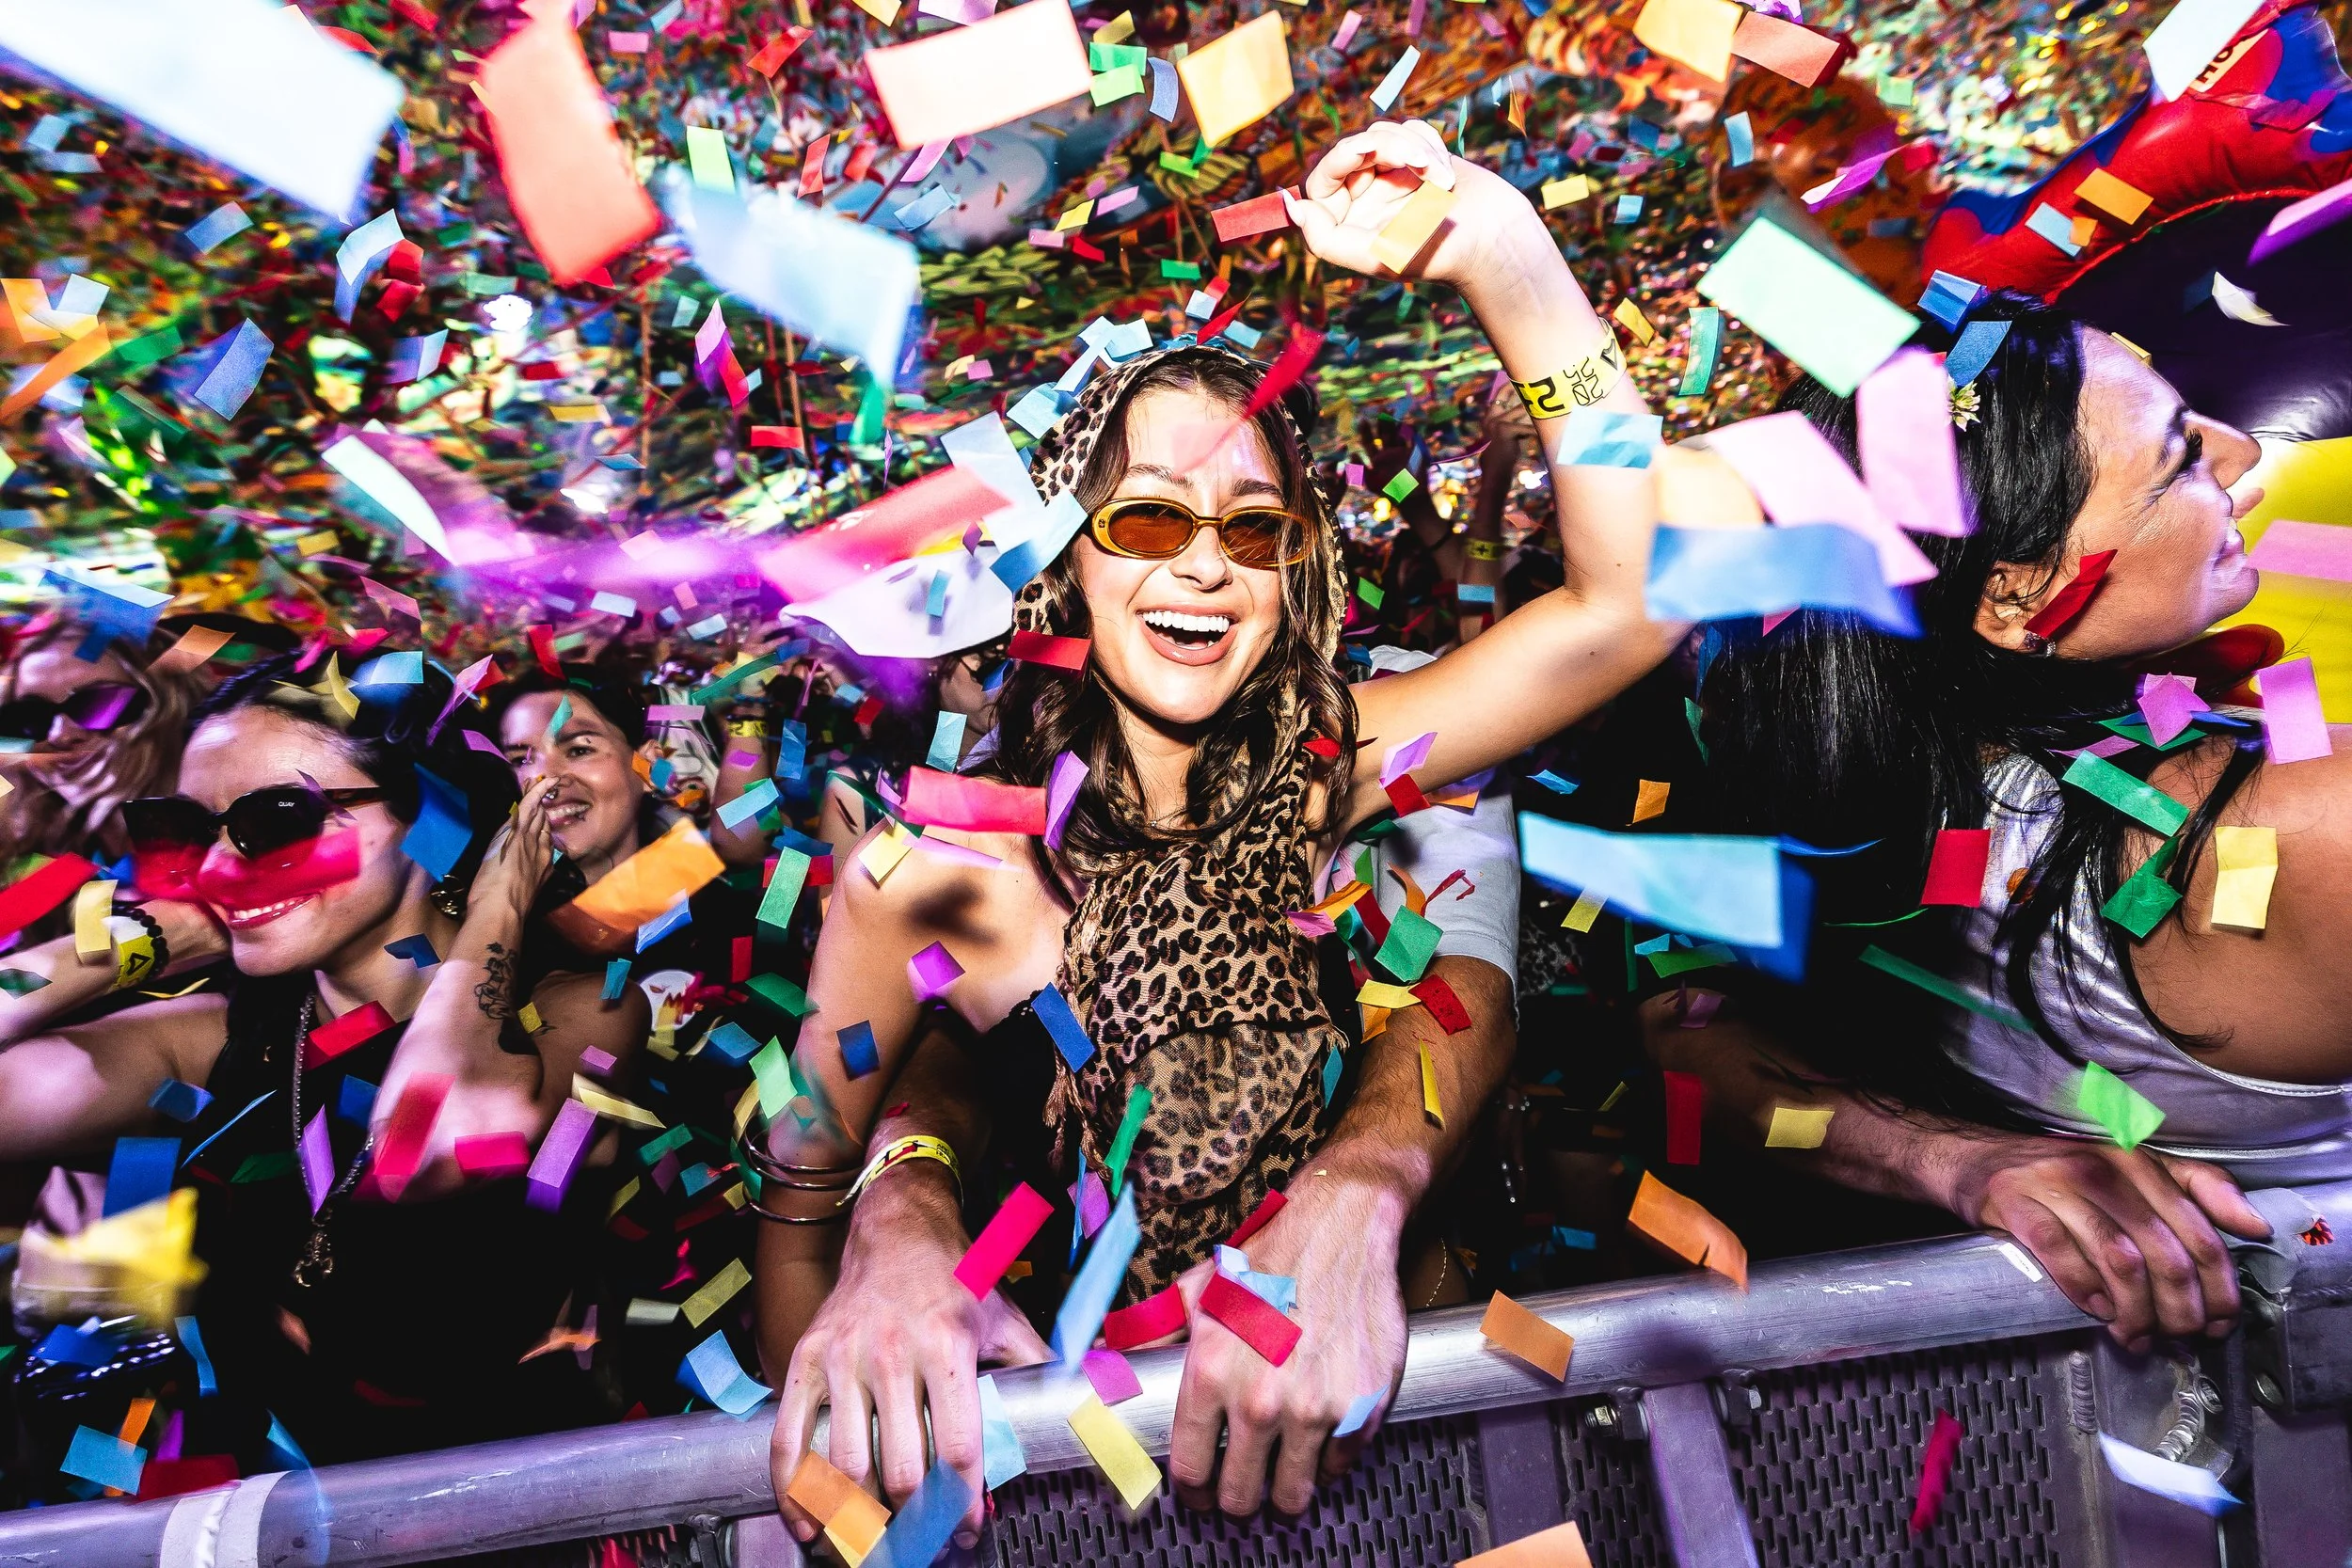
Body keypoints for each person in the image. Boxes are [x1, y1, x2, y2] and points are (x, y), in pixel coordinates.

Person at [760, 119, 1680, 1544]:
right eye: (1147, 518)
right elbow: (807, 1184)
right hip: (1137, 1497)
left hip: (1418, 1462)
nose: (1203, 557)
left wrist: (1497, 247)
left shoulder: (1339, 765)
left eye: (1251, 527)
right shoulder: (935, 863)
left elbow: (1630, 596)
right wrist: (884, 1254)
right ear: (1066, 556)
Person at [1656, 291, 2337, 1357]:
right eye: (2176, 457)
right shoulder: (2295, 816)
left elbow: (1678, 1031)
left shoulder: (1877, 820)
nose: (2243, 450)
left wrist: (1948, 1154)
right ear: (2017, 596)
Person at [0, 649, 648, 1466]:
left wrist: (500, 899)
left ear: (428, 810)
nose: (218, 864)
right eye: (190, 830)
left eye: (276, 820)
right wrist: (151, 934)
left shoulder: (584, 1008)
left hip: (497, 1525)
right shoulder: (215, 1040)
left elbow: (430, 1140)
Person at [0, 610, 211, 878]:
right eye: (32, 716)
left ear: (171, 707)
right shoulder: (34, 869)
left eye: (98, 704)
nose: (60, 736)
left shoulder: (235, 845)